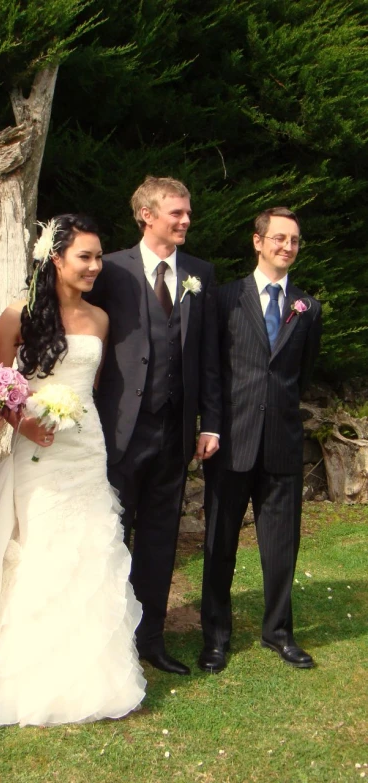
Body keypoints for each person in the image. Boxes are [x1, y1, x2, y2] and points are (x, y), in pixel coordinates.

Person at [0, 214, 146, 726]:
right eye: (85, 257)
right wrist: (23, 424)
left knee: (92, 547)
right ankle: (30, 671)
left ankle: (95, 672)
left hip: (85, 450)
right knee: (43, 550)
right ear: (56, 259)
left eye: (98, 257)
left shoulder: (99, 319)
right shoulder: (17, 315)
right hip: (37, 454)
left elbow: (91, 388)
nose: (96, 266)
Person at [87, 177, 221, 675]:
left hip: (177, 431)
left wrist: (211, 424)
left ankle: (152, 638)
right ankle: (108, 638)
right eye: (176, 213)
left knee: (162, 537)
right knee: (111, 533)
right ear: (147, 215)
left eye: (187, 213)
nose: (186, 220)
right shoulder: (110, 270)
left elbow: (208, 358)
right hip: (120, 429)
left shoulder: (200, 274)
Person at [198, 207, 322, 674]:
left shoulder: (308, 308)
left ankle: (279, 633)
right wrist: (210, 425)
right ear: (257, 241)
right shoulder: (226, 298)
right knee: (219, 544)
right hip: (231, 443)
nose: (286, 246)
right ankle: (215, 637)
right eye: (278, 238)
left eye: (294, 240)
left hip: (282, 445)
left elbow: (300, 374)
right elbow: (212, 370)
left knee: (281, 546)